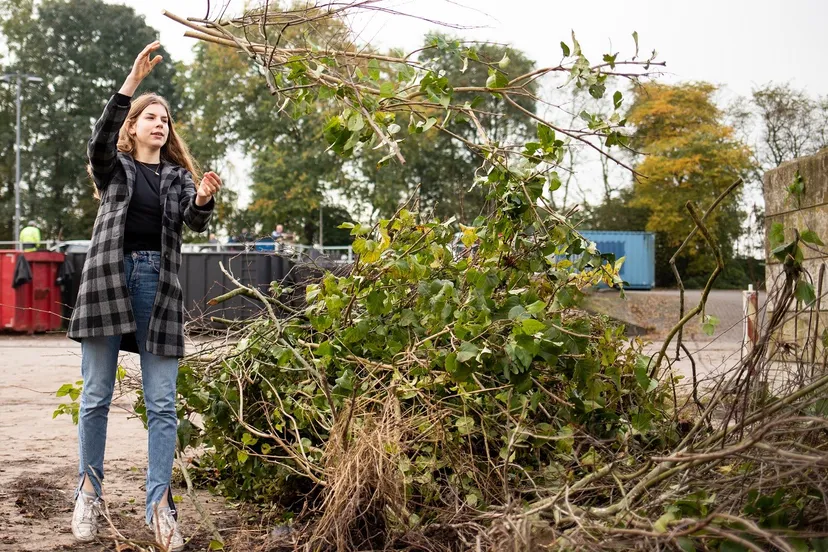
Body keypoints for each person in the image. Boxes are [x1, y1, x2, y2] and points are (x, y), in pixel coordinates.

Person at [66, 41, 222, 551]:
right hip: (106, 282)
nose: (160, 124)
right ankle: (89, 493)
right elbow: (98, 143)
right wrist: (131, 83)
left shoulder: (177, 177)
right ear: (132, 127)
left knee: (162, 405)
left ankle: (159, 506)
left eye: (166, 119)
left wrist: (204, 198)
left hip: (159, 286)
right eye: (150, 117)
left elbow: (193, 220)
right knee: (96, 397)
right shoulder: (114, 168)